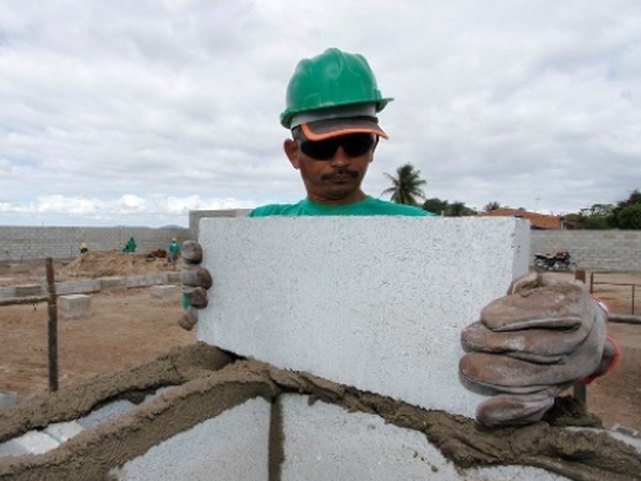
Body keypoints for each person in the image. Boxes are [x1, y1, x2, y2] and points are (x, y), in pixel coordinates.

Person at [178, 47, 619, 428]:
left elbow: (514, 307)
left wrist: (591, 326)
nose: (340, 160)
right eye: (320, 146)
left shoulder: (423, 233)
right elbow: (211, 316)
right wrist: (203, 293)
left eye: (356, 143)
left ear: (374, 147)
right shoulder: (260, 228)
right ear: (294, 153)